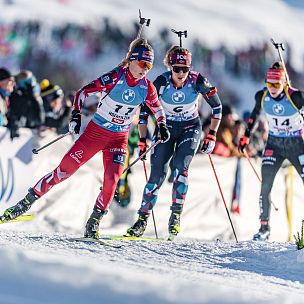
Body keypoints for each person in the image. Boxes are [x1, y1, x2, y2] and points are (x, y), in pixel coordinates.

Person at [0, 38, 170, 239]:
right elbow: (82, 93)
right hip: (96, 134)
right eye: (143, 63)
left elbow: (158, 109)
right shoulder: (115, 77)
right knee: (63, 172)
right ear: (132, 60)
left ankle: (94, 222)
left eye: (149, 65)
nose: (145, 69)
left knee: (112, 180)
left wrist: (162, 125)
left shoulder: (147, 87)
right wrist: (76, 116)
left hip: (119, 139)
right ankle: (25, 203)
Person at [126, 45, 222, 238]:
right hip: (166, 130)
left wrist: (211, 134)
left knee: (180, 167)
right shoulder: (161, 82)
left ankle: (175, 216)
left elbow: (217, 107)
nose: (180, 73)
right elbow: (144, 113)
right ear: (170, 66)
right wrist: (143, 140)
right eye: (176, 68)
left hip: (190, 128)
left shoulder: (198, 80)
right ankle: (142, 220)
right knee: (156, 176)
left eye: (184, 69)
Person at [238, 61, 304, 241]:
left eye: (276, 84)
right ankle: (264, 227)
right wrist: (245, 137)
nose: (273, 88)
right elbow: (253, 117)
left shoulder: (296, 97)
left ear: (284, 83)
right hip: (274, 145)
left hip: (296, 145)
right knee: (265, 184)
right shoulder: (262, 96)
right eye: (269, 84)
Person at [7, 70, 44, 140]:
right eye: (32, 86)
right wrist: (35, 99)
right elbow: (38, 119)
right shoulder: (18, 97)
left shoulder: (25, 97)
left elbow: (39, 120)